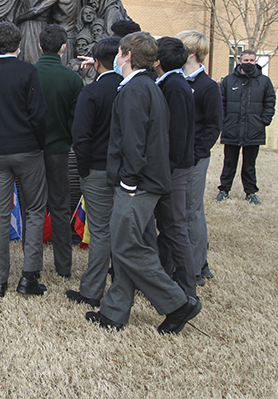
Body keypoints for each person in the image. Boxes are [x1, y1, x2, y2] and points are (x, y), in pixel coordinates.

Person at [85, 32, 201, 334]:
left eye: (121, 53)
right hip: (143, 183)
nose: (117, 57)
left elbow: (133, 143)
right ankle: (114, 311)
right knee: (130, 245)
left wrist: (129, 182)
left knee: (126, 246)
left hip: (137, 186)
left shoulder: (136, 90)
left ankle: (178, 303)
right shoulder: (145, 86)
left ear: (126, 56)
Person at [0, 22, 48, 298]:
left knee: (1, 215)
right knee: (35, 211)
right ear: (18, 43)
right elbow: (38, 115)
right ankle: (29, 276)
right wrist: (38, 143)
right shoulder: (28, 71)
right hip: (28, 150)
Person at [65, 36, 122, 307]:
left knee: (100, 231)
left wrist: (84, 169)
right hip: (125, 170)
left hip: (98, 170)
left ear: (96, 62)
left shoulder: (92, 92)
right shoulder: (129, 87)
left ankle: (91, 291)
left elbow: (81, 136)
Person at [34, 24, 84, 278]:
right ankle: (64, 267)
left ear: (40, 45)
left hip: (31, 152)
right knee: (61, 207)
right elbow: (77, 121)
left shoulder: (29, 73)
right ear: (64, 48)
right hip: (59, 151)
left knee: (32, 208)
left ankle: (32, 265)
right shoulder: (72, 79)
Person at [176, 30, 221, 285]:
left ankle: (193, 270)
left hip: (193, 159)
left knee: (190, 211)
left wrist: (195, 155)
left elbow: (213, 127)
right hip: (181, 157)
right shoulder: (177, 80)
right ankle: (199, 262)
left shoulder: (207, 87)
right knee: (191, 210)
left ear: (191, 53)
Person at [153, 37, 196, 299]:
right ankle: (165, 276)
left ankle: (187, 288)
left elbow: (176, 136)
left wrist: (164, 171)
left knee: (175, 227)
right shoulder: (170, 84)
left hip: (174, 169)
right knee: (168, 227)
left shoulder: (175, 88)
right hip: (172, 167)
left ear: (157, 61)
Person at [216, 49, 275, 205]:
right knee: (229, 162)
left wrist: (263, 121)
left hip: (253, 130)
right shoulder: (228, 81)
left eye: (252, 60)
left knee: (249, 164)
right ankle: (224, 190)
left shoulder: (264, 81)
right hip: (232, 128)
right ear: (240, 61)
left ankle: (250, 192)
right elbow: (220, 103)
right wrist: (224, 121)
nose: (249, 63)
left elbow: (270, 102)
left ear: (255, 62)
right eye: (246, 60)